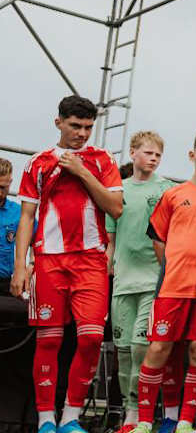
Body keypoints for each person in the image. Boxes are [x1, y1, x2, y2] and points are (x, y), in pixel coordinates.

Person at [11, 95, 124, 433]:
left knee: (90, 339)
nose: (82, 133)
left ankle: (70, 417)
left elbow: (116, 208)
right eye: (75, 126)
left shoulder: (102, 159)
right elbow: (27, 216)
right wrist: (21, 265)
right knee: (48, 340)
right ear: (58, 122)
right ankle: (46, 419)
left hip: (91, 261)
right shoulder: (38, 163)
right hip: (49, 262)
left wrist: (82, 171)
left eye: (88, 127)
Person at [132, 129, 196, 433]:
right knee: (159, 348)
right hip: (173, 286)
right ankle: (145, 422)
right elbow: (158, 238)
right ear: (192, 155)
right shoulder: (174, 193)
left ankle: (187, 421)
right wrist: (173, 266)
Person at [107, 131, 177, 433]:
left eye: (158, 155)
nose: (153, 158)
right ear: (133, 153)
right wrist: (108, 269)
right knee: (122, 351)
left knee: (140, 347)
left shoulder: (168, 190)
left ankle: (142, 411)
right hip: (123, 281)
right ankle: (128, 411)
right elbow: (110, 238)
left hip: (152, 280)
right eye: (147, 153)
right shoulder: (117, 190)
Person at [0, 158, 19, 281]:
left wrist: (31, 264)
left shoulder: (17, 212)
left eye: (3, 187)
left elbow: (39, 238)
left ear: (10, 182)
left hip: (5, 284)